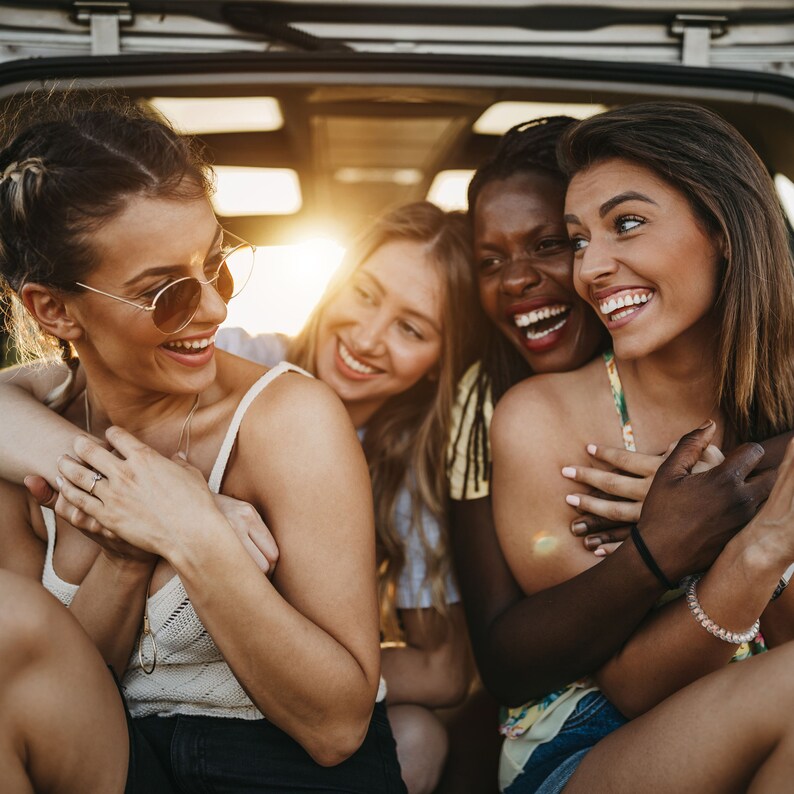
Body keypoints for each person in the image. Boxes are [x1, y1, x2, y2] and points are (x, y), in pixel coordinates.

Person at [0, 178, 479, 788]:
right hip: (131, 724)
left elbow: (433, 672)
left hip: (285, 728)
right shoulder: (217, 358)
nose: (366, 337)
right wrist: (155, 493)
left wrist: (189, 522)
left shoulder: (403, 462)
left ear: (441, 357)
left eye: (411, 329)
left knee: (419, 734)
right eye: (364, 295)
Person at [490, 101, 794, 792]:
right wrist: (756, 543)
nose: (591, 267)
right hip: (587, 746)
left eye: (626, 224)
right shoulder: (543, 418)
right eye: (578, 240)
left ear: (721, 228)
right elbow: (629, 685)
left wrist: (739, 508)